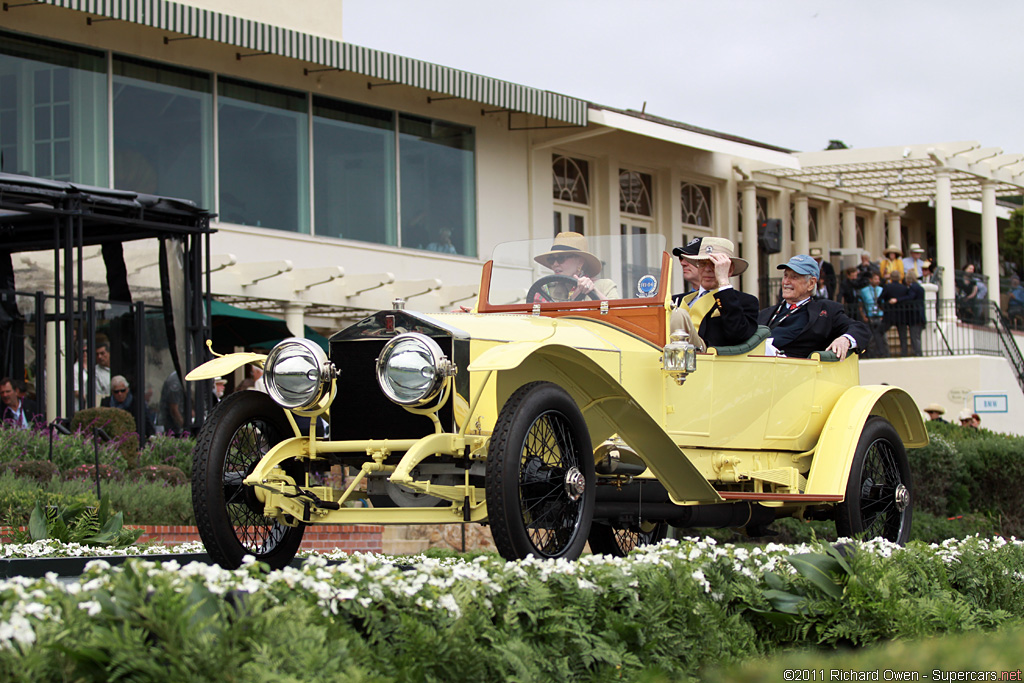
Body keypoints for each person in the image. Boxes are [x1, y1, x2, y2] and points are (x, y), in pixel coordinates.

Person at [757, 254, 870, 360]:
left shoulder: (826, 310)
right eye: (785, 276)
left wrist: (845, 339)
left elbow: (860, 329)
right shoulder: (766, 313)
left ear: (811, 283)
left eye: (794, 277)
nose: (786, 282)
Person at [672, 237, 757, 348]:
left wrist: (723, 283)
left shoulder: (745, 301)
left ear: (729, 269)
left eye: (714, 264)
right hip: (666, 356)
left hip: (705, 357)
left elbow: (738, 335)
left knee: (678, 314)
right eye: (702, 264)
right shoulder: (676, 300)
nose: (707, 269)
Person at [532, 232, 618, 301]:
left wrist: (594, 291)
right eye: (551, 259)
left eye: (561, 258)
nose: (555, 264)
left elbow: (618, 313)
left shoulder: (604, 286)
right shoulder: (544, 290)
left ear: (580, 262)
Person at [879, 270, 910, 357]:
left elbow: (879, 299)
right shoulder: (904, 288)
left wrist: (884, 307)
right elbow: (907, 300)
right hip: (901, 315)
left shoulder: (887, 287)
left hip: (889, 315)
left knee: (879, 332)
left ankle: (882, 352)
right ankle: (904, 353)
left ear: (891, 277)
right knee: (903, 336)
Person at [858, 272, 887, 358]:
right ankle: (871, 355)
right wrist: (863, 316)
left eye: (878, 279)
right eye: (875, 279)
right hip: (869, 316)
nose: (877, 281)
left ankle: (884, 354)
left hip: (880, 315)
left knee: (883, 337)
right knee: (871, 338)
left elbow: (883, 303)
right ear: (870, 280)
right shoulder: (863, 291)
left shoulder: (881, 289)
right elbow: (860, 305)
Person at [671, 237, 703, 305]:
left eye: (690, 258)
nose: (683, 263)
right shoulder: (674, 302)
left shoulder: (726, 299)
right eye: (681, 258)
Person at [901, 270, 926, 356]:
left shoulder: (913, 288)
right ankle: (917, 352)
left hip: (915, 317)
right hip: (920, 316)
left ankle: (918, 353)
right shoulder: (919, 287)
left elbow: (910, 298)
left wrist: (898, 300)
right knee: (917, 336)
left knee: (915, 337)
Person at [159, 370, 186, 435]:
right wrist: (184, 426)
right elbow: (174, 409)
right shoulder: (175, 382)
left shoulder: (178, 378)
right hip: (173, 427)